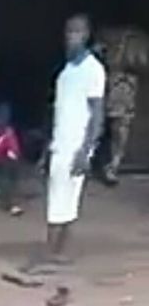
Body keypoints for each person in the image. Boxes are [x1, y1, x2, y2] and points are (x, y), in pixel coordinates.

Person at [37, 14, 105, 265]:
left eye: (77, 32)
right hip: (60, 143)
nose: (71, 37)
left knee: (61, 198)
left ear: (86, 35)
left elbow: (97, 114)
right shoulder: (66, 71)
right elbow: (59, 112)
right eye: (68, 32)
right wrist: (48, 148)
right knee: (63, 199)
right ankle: (57, 252)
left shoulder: (93, 70)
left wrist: (86, 150)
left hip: (76, 145)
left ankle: (52, 251)